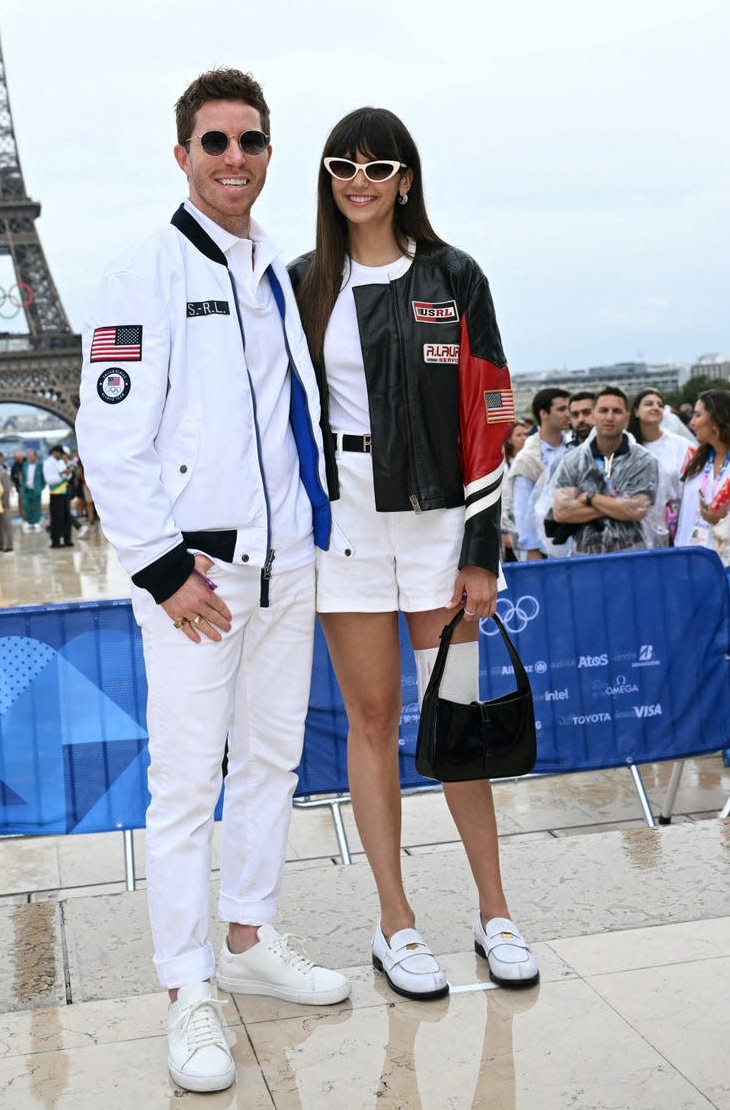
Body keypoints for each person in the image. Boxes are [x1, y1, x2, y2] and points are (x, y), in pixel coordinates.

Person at [76, 67, 348, 1095]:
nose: (235, 158)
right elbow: (109, 432)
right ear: (182, 153)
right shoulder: (142, 270)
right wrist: (160, 569)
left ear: (270, 154)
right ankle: (186, 986)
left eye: (252, 141)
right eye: (216, 141)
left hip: (287, 569)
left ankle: (248, 934)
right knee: (188, 783)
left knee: (273, 759)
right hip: (198, 573)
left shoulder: (277, 267)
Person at [291, 106, 538, 1005]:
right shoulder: (301, 284)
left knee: (458, 717)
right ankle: (393, 919)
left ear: (405, 177)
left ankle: (494, 910)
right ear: (326, 178)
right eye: (341, 165)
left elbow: (493, 411)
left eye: (377, 164)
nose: (359, 180)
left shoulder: (453, 274)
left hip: (439, 524)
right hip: (345, 525)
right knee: (368, 722)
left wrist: (481, 548)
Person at [552, 386, 658, 554]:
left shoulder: (643, 460)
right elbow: (561, 512)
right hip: (585, 556)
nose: (609, 417)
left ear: (627, 418)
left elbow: (638, 509)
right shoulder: (572, 460)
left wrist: (589, 497)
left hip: (630, 553)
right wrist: (619, 505)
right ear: (594, 415)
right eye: (603, 410)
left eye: (616, 411)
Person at [505, 388, 570, 560]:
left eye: (568, 408)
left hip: (577, 544)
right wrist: (531, 548)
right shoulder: (527, 459)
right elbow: (523, 509)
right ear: (543, 413)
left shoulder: (576, 447)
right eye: (561, 409)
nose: (568, 414)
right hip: (545, 550)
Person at [627, 388, 691, 547]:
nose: (655, 407)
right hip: (634, 530)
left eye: (660, 405)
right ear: (636, 411)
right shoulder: (626, 446)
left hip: (673, 528)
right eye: (649, 404)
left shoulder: (680, 445)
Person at [675, 389, 730, 564]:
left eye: (697, 415)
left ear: (715, 420)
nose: (692, 423)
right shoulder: (697, 462)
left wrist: (721, 521)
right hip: (691, 562)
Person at [500, 423, 528, 561]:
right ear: (509, 439)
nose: (524, 438)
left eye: (525, 434)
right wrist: (505, 530)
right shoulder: (504, 465)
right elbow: (504, 498)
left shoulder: (531, 461)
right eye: (519, 435)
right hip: (511, 524)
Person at [43, 445, 72, 548]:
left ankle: (67, 539)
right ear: (55, 452)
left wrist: (68, 473)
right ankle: (56, 541)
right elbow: (49, 480)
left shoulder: (61, 462)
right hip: (55, 494)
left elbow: (67, 477)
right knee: (57, 519)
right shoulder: (47, 463)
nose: (62, 455)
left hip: (64, 492)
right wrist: (60, 474)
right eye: (61, 453)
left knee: (66, 517)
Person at [0, 453, 14, 552]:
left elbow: (6, 489)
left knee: (6, 524)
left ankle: (9, 544)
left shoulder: (3, 473)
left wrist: (4, 501)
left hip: (2, 503)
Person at [19, 449, 45, 530]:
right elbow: (23, 476)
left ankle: (36, 521)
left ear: (35, 456)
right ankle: (29, 521)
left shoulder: (40, 465)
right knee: (27, 505)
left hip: (36, 489)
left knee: (36, 506)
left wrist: (41, 487)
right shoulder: (25, 465)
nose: (30, 457)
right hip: (27, 489)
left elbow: (43, 478)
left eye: (31, 456)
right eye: (28, 456)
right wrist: (23, 485)